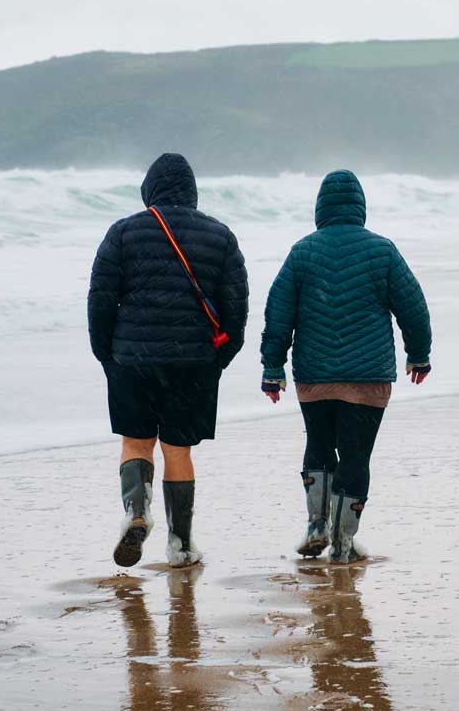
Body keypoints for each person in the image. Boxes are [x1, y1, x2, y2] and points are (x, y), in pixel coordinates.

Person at [260, 170, 432, 563]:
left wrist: (273, 367)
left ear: (320, 207)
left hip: (314, 377)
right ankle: (342, 544)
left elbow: (278, 313)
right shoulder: (382, 251)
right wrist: (418, 354)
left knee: (318, 444)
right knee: (355, 456)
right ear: (360, 207)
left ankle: (316, 525)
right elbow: (413, 307)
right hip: (368, 378)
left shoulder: (303, 251)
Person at [88, 153, 248, 568]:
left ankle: (136, 512)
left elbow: (101, 300)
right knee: (178, 451)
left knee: (136, 442)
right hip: (193, 362)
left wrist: (108, 354)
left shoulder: (122, 233)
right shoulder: (221, 236)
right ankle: (180, 544)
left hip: (132, 358)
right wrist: (218, 359)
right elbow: (237, 308)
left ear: (150, 190)